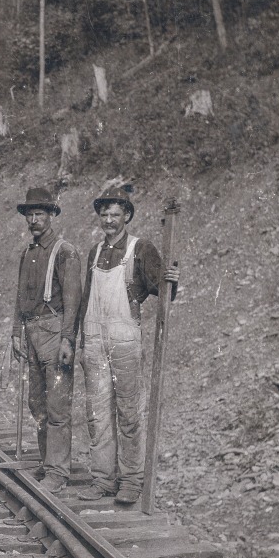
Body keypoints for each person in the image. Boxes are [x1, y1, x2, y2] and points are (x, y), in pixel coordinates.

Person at [76, 182, 179, 505]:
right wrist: (81, 342)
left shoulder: (141, 249)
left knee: (129, 413)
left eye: (116, 214)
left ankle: (132, 480)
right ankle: (103, 479)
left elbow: (162, 292)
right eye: (104, 214)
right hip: (94, 341)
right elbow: (85, 300)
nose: (109, 220)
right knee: (98, 414)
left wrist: (170, 282)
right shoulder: (95, 252)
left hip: (124, 340)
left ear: (127, 216)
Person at [10, 185, 82, 493]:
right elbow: (19, 298)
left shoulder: (65, 251)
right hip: (31, 331)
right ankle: (46, 462)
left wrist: (68, 339)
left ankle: (57, 471)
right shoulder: (28, 253)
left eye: (40, 213)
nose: (34, 220)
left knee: (56, 405)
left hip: (54, 331)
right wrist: (16, 332)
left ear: (51, 215)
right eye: (30, 214)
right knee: (37, 403)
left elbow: (73, 300)